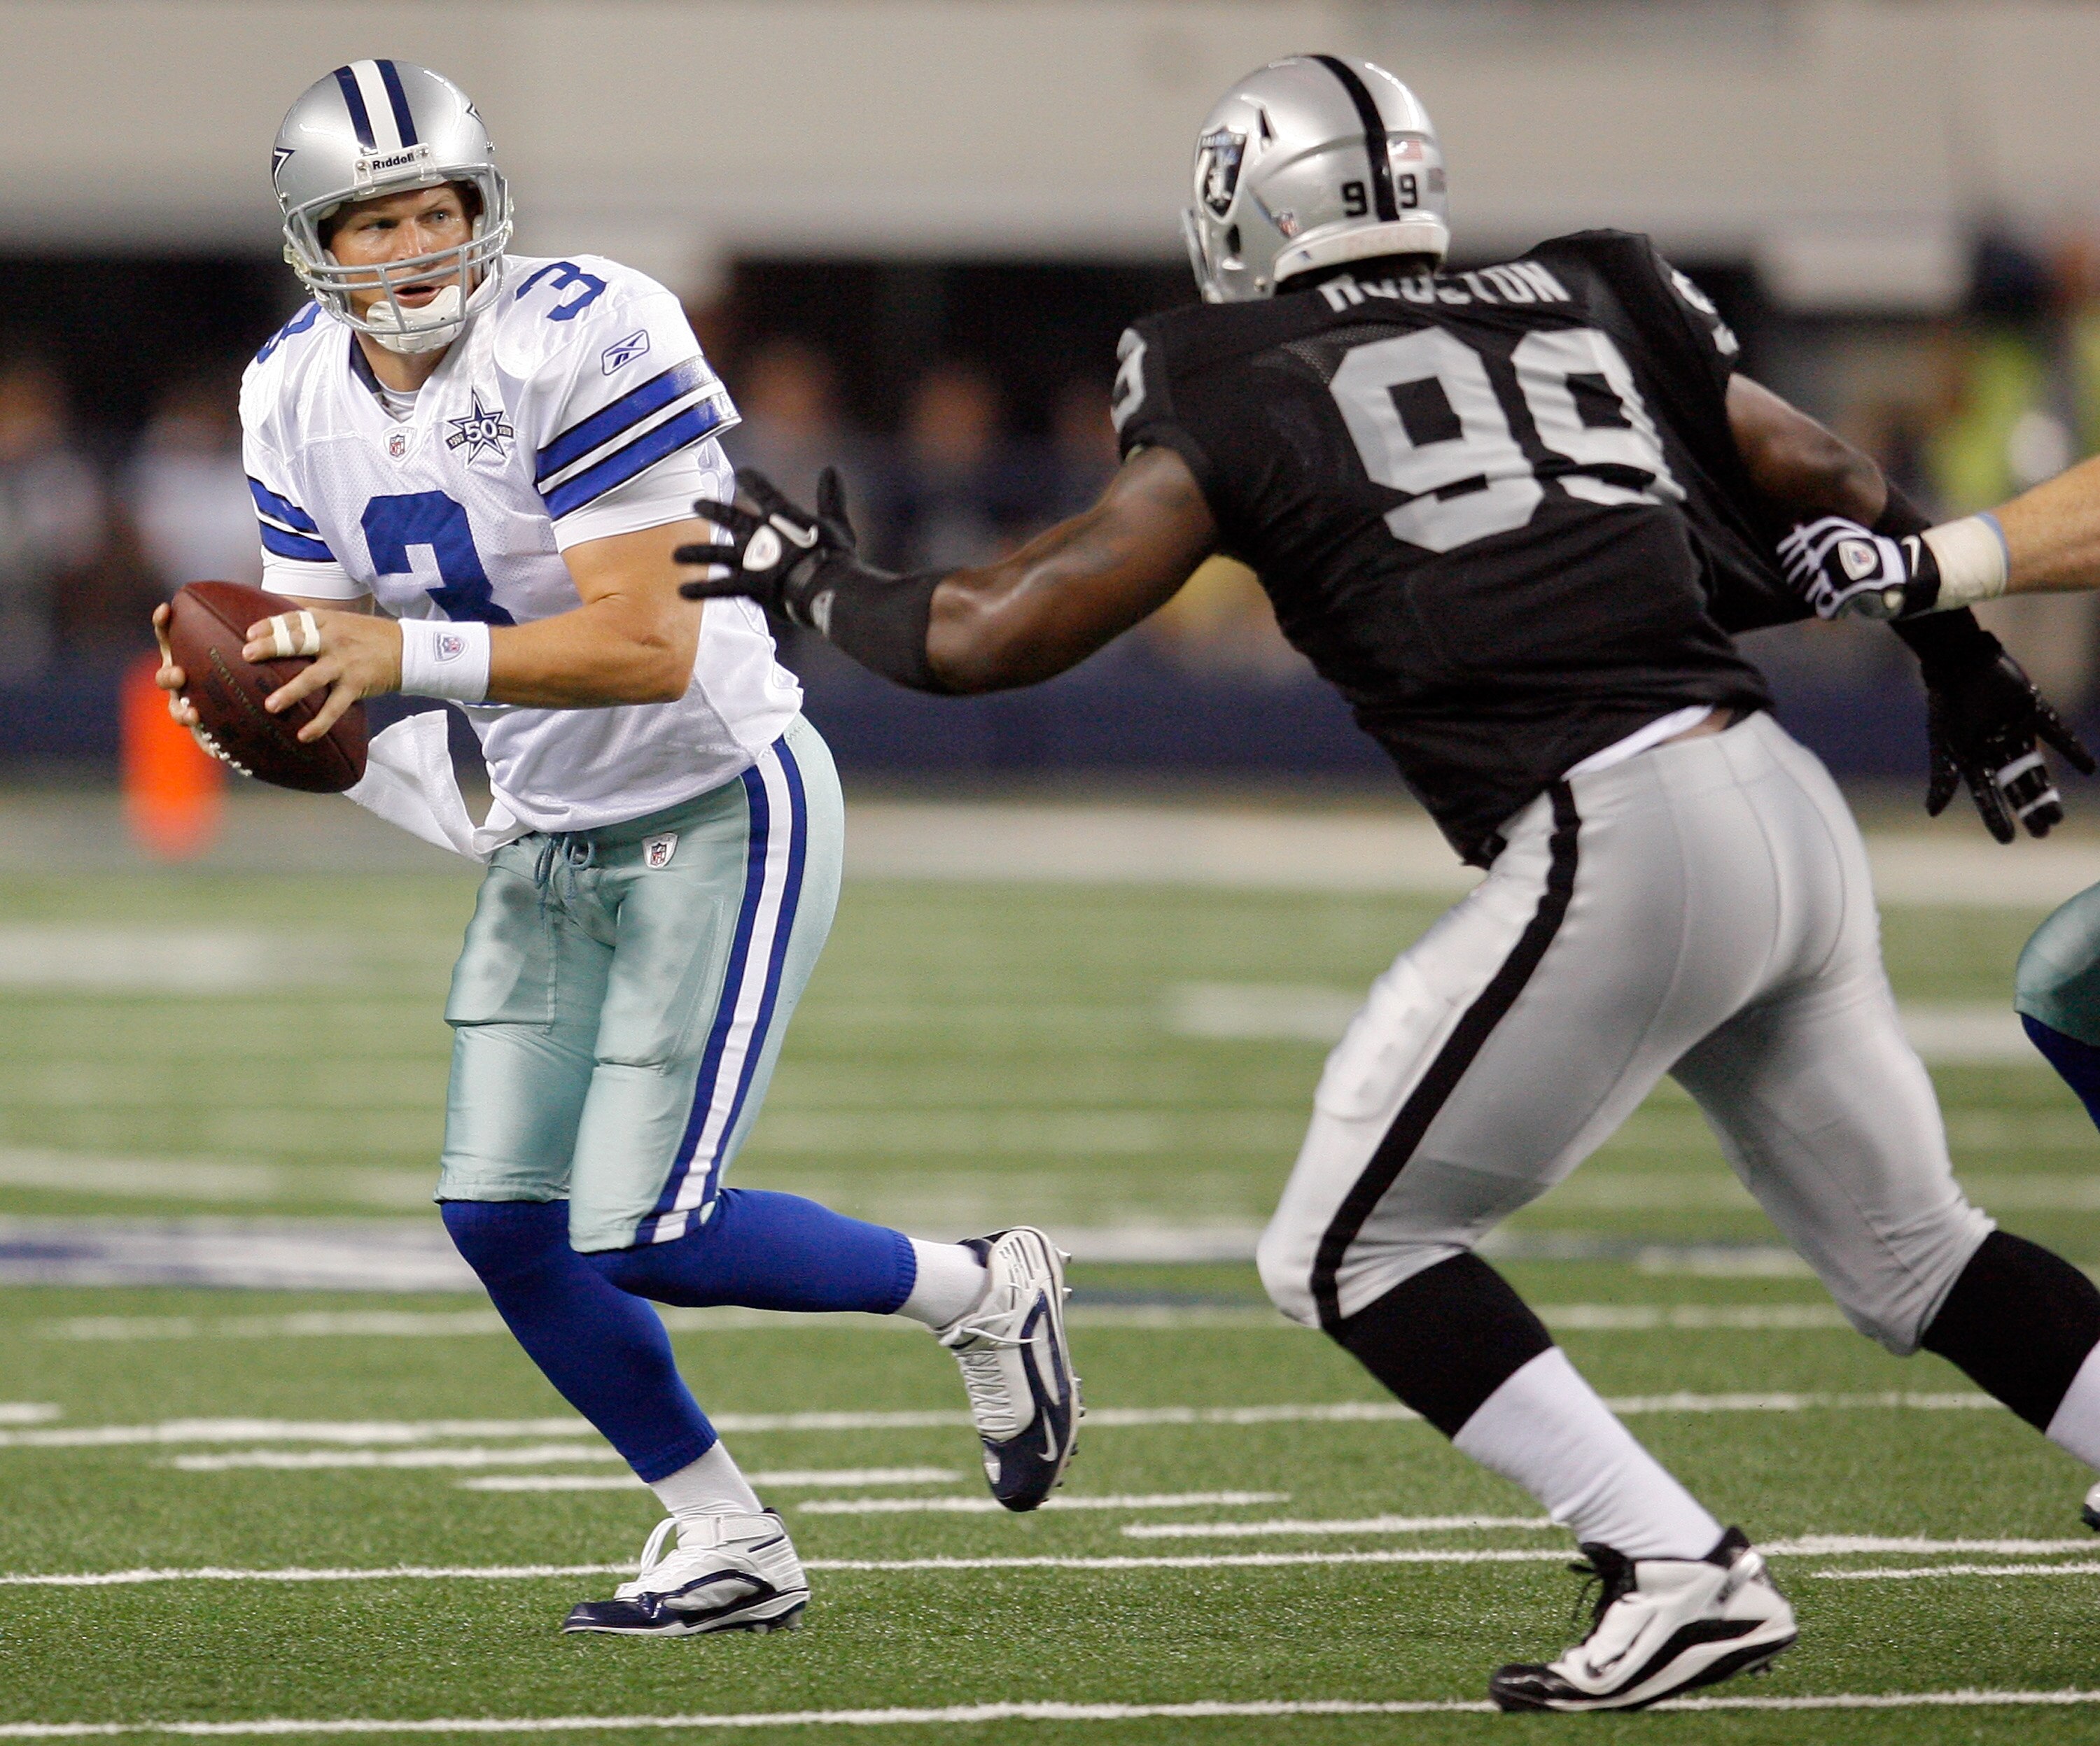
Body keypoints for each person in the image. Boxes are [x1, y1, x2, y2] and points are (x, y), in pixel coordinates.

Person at [678, 53, 2100, 1712]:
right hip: (1782, 799)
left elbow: (997, 632)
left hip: (1616, 825)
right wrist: (1966, 667)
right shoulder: (1588, 288)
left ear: (1242, 213)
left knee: (1349, 1250)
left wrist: (818, 584)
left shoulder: (1234, 362)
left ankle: (1674, 1562)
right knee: (1920, 1249)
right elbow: (1843, 485)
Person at [148, 60, 1077, 1638]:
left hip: (717, 795)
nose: (418, 248)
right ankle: (726, 1536)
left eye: (438, 209)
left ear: (483, 202)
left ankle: (983, 1287)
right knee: (502, 1222)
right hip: (553, 829)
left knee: (653, 1228)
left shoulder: (592, 326)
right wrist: (269, 712)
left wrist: (389, 667)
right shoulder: (286, 389)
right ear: (317, 240)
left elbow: (646, 645)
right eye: (375, 222)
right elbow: (333, 660)